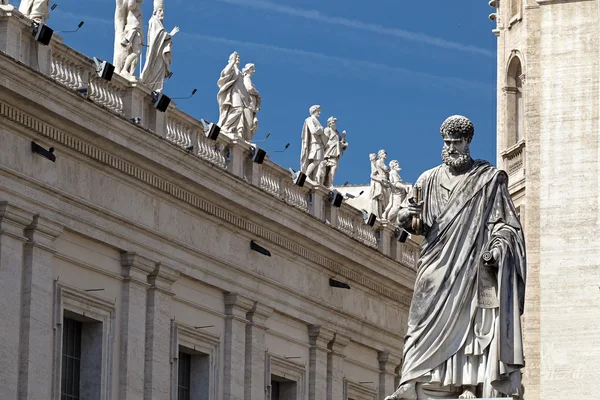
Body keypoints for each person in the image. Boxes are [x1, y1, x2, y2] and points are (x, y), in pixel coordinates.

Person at [385, 115, 526, 400]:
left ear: (468, 142)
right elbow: (411, 219)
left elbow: (507, 224)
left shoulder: (488, 180)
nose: (450, 148)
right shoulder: (428, 179)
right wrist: (406, 217)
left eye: (456, 143)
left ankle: (467, 385)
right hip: (435, 266)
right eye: (447, 142)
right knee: (419, 320)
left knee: (470, 324)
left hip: (472, 267)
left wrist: (498, 246)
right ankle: (413, 379)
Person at [217, 53, 258, 140]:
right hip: (234, 93)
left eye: (239, 57)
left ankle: (232, 129)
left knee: (241, 116)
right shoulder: (232, 68)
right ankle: (226, 127)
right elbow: (225, 73)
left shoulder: (240, 72)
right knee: (238, 109)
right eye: (236, 57)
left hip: (242, 97)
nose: (238, 58)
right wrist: (231, 62)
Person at [140, 0, 179, 92]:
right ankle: (149, 85)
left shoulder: (159, 23)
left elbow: (162, 34)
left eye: (163, 11)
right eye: (160, 11)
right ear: (155, 12)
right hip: (155, 52)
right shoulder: (154, 20)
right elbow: (158, 34)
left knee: (160, 68)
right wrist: (171, 34)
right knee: (154, 67)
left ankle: (156, 88)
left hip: (160, 51)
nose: (162, 13)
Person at [318, 116, 348, 187]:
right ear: (329, 124)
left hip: (335, 154)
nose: (334, 124)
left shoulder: (337, 133)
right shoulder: (327, 130)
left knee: (333, 168)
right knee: (325, 169)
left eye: (335, 123)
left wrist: (343, 138)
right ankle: (322, 183)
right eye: (332, 123)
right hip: (327, 152)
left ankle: (330, 184)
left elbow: (341, 142)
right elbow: (323, 141)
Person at [300, 105, 325, 181]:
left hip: (319, 143)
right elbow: (313, 130)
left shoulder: (317, 121)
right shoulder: (309, 119)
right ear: (314, 111)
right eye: (318, 111)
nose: (319, 113)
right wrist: (321, 129)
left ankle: (314, 178)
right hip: (314, 143)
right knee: (316, 160)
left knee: (319, 161)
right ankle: (306, 175)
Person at [120, 0, 143, 77]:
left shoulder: (138, 6)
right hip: (132, 29)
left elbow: (140, 23)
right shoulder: (134, 5)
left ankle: (128, 71)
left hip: (137, 30)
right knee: (136, 52)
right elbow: (130, 5)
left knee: (137, 52)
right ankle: (124, 69)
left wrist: (142, 38)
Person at [369, 149, 390, 218]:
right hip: (382, 182)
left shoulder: (382, 162)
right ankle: (379, 215)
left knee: (385, 201)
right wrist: (380, 180)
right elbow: (385, 169)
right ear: (380, 155)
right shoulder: (379, 162)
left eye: (385, 153)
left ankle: (382, 215)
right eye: (384, 153)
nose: (385, 154)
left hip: (385, 183)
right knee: (381, 199)